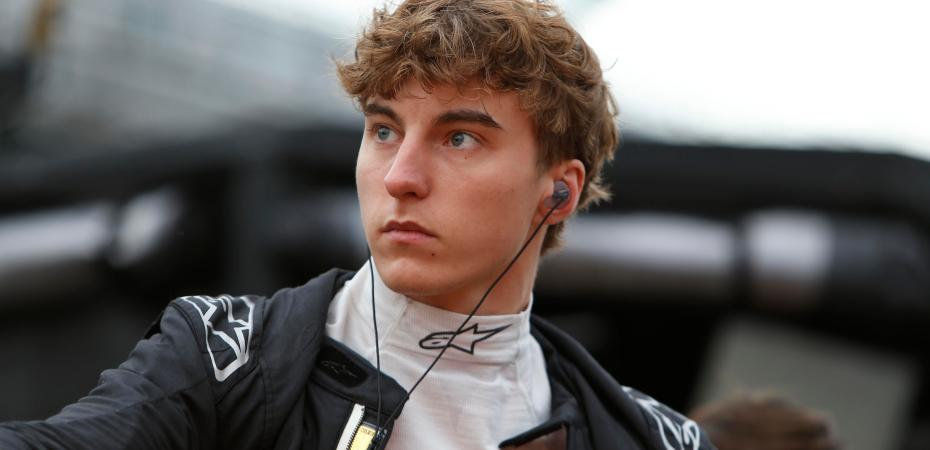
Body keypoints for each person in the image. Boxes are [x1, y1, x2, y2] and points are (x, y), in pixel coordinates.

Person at [0, 0, 716, 449]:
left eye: (459, 137)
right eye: (383, 130)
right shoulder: (224, 356)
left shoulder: (655, 439)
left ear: (558, 191)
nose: (401, 175)